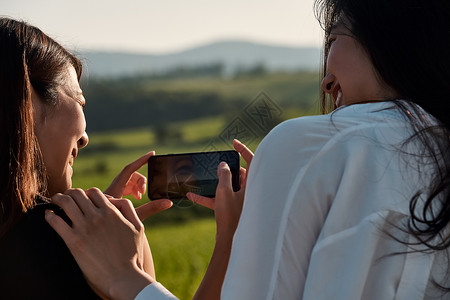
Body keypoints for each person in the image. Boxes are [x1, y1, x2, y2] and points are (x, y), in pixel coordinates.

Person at [45, 0, 450, 298]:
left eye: (334, 39)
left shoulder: (315, 147)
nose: (326, 80)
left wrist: (126, 278)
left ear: (393, 38)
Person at [0, 17, 171, 299]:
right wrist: (132, 264)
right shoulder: (61, 244)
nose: (85, 138)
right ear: (27, 99)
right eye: (79, 101)